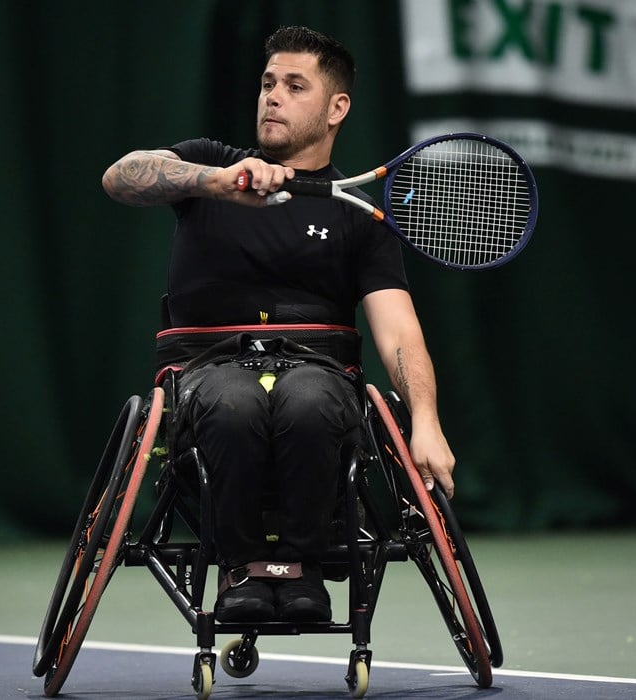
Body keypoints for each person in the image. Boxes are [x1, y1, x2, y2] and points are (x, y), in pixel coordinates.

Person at [102, 26, 455, 623]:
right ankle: (241, 567)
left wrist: (425, 422)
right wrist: (215, 181)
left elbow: (398, 332)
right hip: (205, 374)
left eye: (295, 86)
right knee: (236, 401)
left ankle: (302, 566)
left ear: (336, 107)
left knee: (310, 399)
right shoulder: (211, 164)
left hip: (316, 374)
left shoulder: (361, 219)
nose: (273, 96)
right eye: (268, 84)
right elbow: (120, 176)